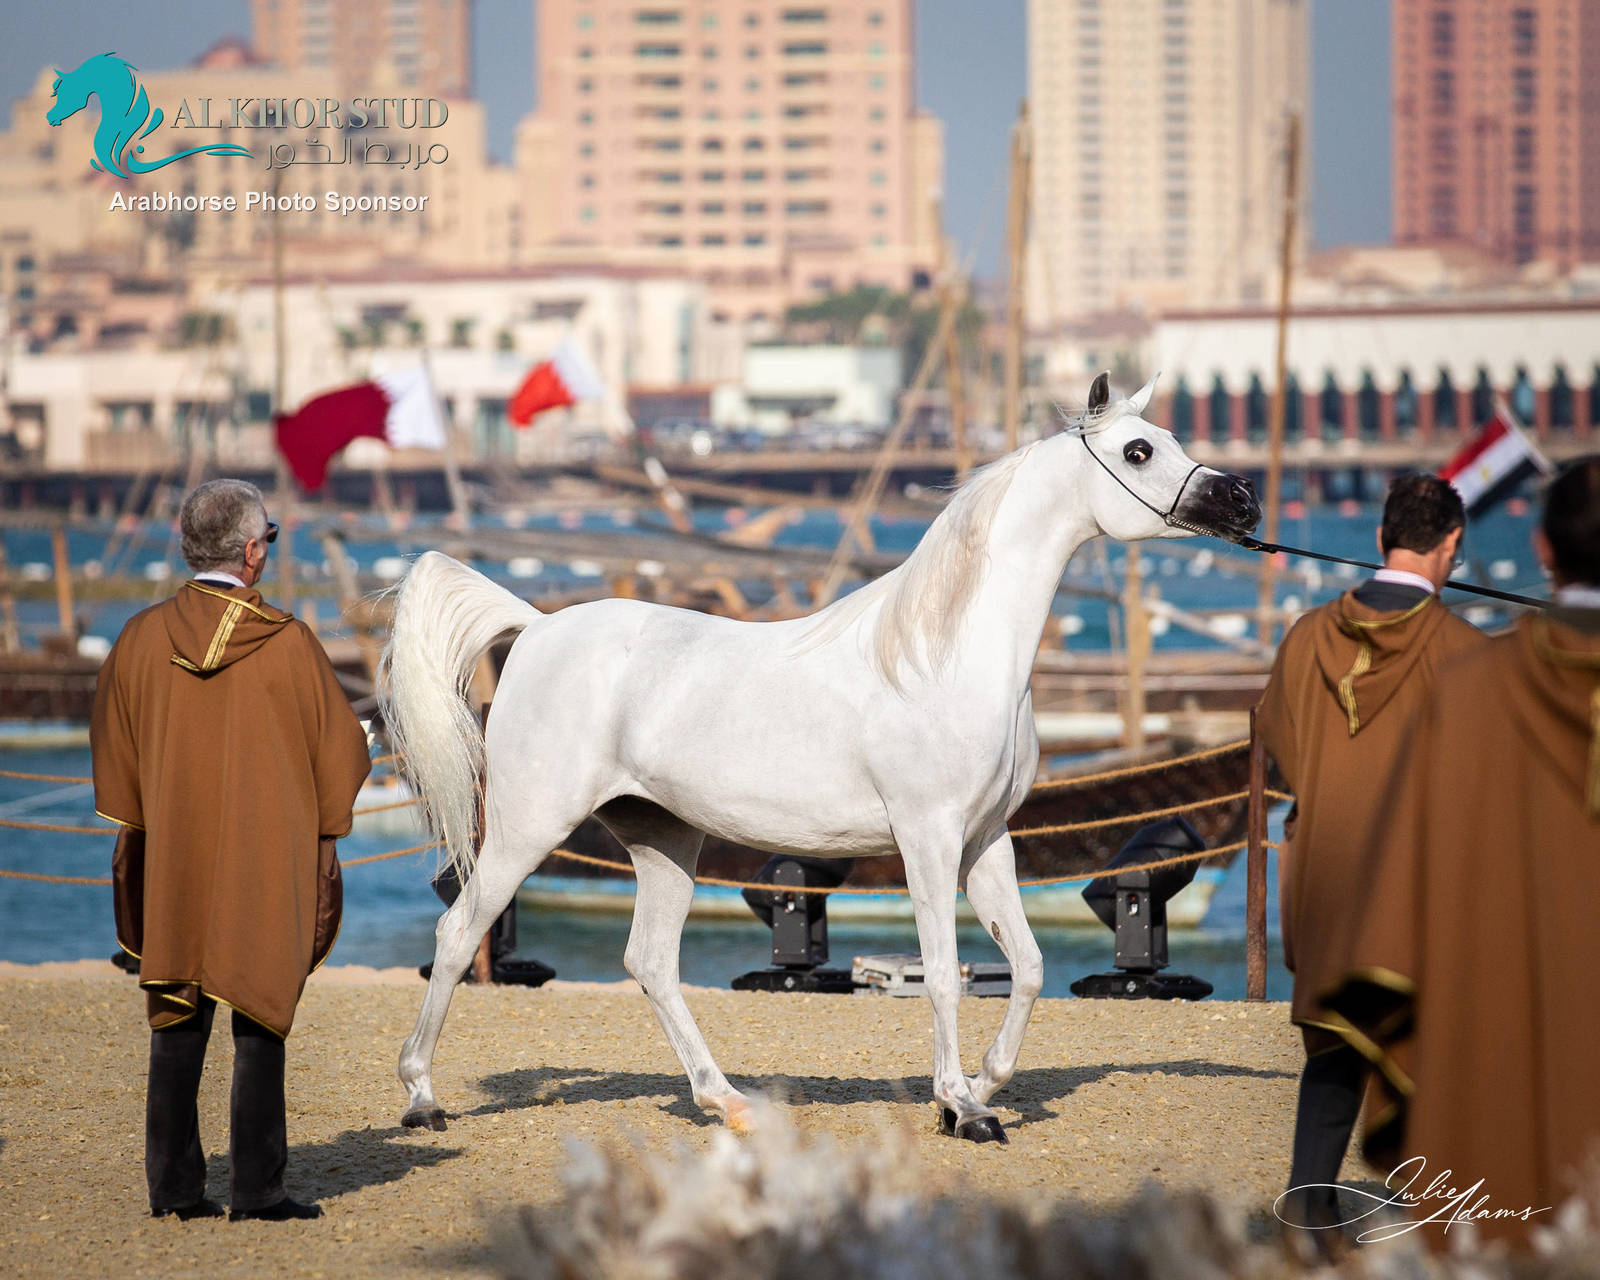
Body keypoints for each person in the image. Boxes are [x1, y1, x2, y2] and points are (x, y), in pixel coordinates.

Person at [1318, 457, 1600, 1247]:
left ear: (1542, 547)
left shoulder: (1472, 687)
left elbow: (1400, 908)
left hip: (1509, 1002)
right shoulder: (1462, 669)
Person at [91, 479, 370, 1222]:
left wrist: (155, 818)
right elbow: (342, 754)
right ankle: (258, 1189)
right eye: (268, 538)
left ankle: (175, 1190)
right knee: (259, 1016)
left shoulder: (140, 638)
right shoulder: (291, 644)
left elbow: (113, 757)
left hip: (174, 852)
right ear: (252, 551)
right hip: (264, 854)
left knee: (176, 1010)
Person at [1255, 473, 1486, 1234]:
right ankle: (1445, 1231)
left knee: (1334, 1054)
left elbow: (1282, 754)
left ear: (1381, 536)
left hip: (1322, 882)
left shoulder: (1304, 637)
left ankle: (1308, 1219)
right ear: (1451, 543)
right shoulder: (1464, 655)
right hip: (1421, 892)